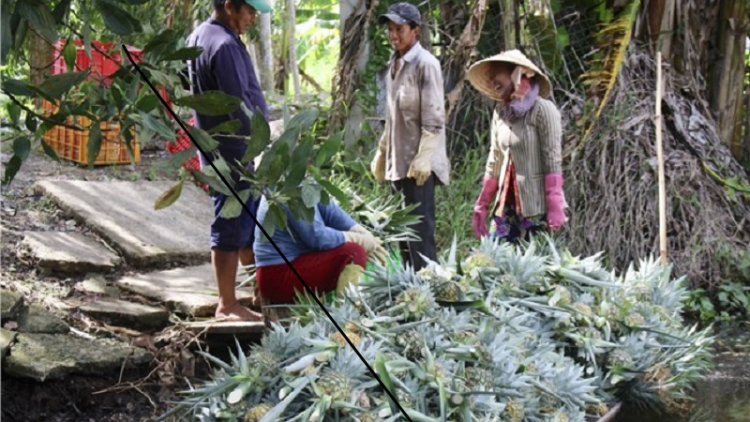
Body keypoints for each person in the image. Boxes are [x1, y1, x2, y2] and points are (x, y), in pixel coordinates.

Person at [185, 0, 273, 321]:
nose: (252, 17)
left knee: (247, 224)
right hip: (233, 150)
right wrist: (261, 138)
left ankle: (261, 291)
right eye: (249, 10)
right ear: (229, 6)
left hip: (216, 146)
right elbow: (239, 106)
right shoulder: (223, 45)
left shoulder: (199, 37)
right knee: (230, 222)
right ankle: (228, 304)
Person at [371, 2, 450, 272]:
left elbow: (434, 118)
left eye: (399, 29)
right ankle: (409, 291)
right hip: (398, 161)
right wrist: (382, 152)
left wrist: (424, 157)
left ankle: (430, 293)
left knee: (419, 232)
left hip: (418, 166)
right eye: (390, 29)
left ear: (415, 30)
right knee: (401, 232)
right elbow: (394, 118)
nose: (393, 35)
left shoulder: (426, 64)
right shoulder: (394, 63)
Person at [467, 50, 567, 243]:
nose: (492, 81)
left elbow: (552, 159)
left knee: (537, 266)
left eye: (497, 73)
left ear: (516, 72)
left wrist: (555, 205)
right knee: (499, 262)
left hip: (536, 208)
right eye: (489, 77)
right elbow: (495, 158)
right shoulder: (500, 112)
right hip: (506, 205)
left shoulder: (543, 110)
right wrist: (482, 204)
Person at [253, 196, 388, 304]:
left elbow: (330, 211)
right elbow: (317, 237)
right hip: (277, 277)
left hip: (284, 269)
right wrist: (358, 239)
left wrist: (362, 232)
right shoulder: (290, 190)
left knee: (352, 249)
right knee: (352, 253)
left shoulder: (301, 180)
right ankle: (349, 315)